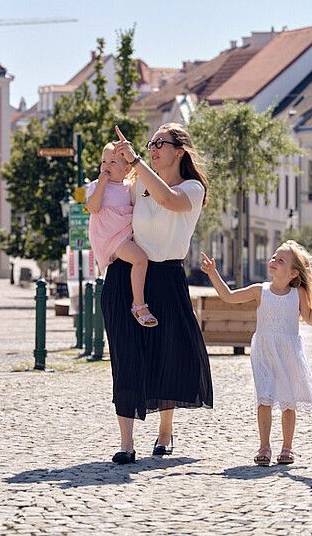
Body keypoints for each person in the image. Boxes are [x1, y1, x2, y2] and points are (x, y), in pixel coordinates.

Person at [102, 123, 214, 465]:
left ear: (179, 151)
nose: (152, 148)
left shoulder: (193, 189)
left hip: (165, 277)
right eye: (150, 143)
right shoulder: (138, 185)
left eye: (159, 143)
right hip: (126, 275)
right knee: (126, 357)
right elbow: (108, 210)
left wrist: (136, 161)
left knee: (166, 355)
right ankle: (126, 442)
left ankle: (165, 432)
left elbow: (168, 199)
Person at [199, 241, 312, 466]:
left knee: (288, 401)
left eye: (280, 260)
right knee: (264, 397)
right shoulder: (260, 290)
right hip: (264, 352)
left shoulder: (299, 293)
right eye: (274, 257)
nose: (273, 261)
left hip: (289, 353)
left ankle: (287, 446)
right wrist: (213, 273)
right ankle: (264, 445)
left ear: (294, 273)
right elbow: (228, 296)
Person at [85, 142, 156, 327]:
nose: (106, 166)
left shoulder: (128, 187)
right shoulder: (96, 185)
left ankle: (137, 301)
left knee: (140, 260)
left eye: (113, 162)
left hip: (123, 234)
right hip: (110, 236)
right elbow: (92, 208)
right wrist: (101, 184)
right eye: (103, 161)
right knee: (140, 259)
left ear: (126, 170)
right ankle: (139, 305)